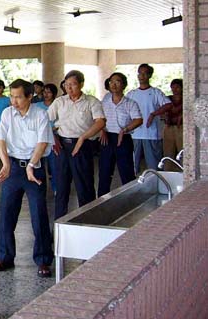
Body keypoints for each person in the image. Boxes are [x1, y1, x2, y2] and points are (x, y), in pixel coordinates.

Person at [0, 79, 54, 277]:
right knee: (7, 214)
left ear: (29, 96)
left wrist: (32, 165)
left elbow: (42, 142)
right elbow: (0, 139)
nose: (14, 101)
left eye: (18, 97)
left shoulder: (40, 114)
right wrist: (6, 164)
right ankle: (5, 257)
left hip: (34, 169)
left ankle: (43, 260)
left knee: (38, 214)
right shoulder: (7, 113)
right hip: (13, 168)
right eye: (12, 96)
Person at [47, 70, 106, 219]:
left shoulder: (91, 101)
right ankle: (59, 222)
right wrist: (53, 138)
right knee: (61, 187)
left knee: (84, 186)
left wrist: (82, 138)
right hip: (62, 146)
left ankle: (88, 220)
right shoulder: (59, 102)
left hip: (82, 146)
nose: (69, 88)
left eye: (73, 84)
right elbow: (44, 121)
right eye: (66, 85)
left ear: (81, 84)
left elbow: (100, 122)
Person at [97, 72, 143, 197]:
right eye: (111, 81)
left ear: (123, 85)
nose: (113, 84)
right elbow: (99, 116)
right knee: (104, 171)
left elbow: (138, 119)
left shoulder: (130, 103)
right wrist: (101, 129)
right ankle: (101, 200)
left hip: (123, 138)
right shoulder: (105, 100)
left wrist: (125, 129)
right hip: (106, 138)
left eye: (117, 81)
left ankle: (130, 198)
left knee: (126, 171)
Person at [126, 64, 171, 172]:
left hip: (151, 133)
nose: (142, 76)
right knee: (132, 165)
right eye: (140, 73)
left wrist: (153, 114)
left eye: (145, 73)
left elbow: (168, 104)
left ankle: (156, 181)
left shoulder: (156, 92)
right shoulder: (132, 94)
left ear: (150, 75)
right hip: (134, 134)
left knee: (154, 166)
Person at [150, 78, 183, 171]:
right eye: (173, 87)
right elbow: (161, 111)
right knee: (168, 151)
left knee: (182, 151)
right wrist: (164, 115)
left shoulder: (186, 99)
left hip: (181, 127)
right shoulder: (168, 99)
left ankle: (185, 171)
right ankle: (168, 171)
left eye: (177, 87)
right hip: (168, 127)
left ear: (182, 88)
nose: (175, 89)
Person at [35, 83, 59, 194]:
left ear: (54, 94)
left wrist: (49, 131)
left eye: (49, 92)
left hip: (53, 138)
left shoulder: (58, 105)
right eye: (44, 92)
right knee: (38, 165)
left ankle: (56, 188)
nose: (46, 94)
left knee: (54, 165)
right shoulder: (36, 106)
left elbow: (60, 123)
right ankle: (40, 188)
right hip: (39, 139)